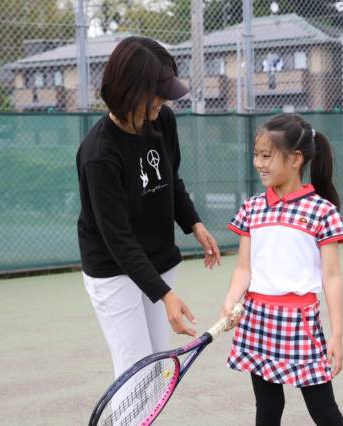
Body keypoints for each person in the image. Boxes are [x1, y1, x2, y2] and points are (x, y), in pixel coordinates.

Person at [76, 36, 221, 382]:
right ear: (130, 89)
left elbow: (171, 180)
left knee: (154, 370)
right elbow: (118, 238)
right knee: (134, 372)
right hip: (113, 270)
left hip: (158, 261)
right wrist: (165, 295)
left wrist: (193, 223)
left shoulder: (162, 121)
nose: (165, 100)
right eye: (158, 92)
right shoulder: (99, 155)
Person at [221, 114, 343, 425]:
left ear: (295, 159)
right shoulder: (252, 208)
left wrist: (336, 334)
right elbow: (243, 269)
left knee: (323, 410)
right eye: (256, 155)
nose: (259, 163)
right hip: (256, 321)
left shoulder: (321, 211)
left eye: (267, 156)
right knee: (267, 408)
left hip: (299, 325)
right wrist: (230, 299)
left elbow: (331, 277)